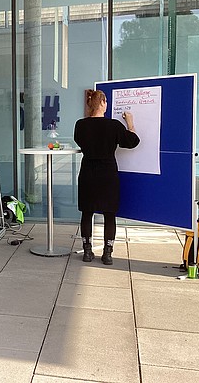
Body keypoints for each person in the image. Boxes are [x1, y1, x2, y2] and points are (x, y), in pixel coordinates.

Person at [74, 89, 140, 265]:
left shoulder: (80, 125)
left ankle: (87, 252)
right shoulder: (113, 126)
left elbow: (79, 141)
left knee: (87, 212)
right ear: (102, 103)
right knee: (109, 214)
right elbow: (132, 141)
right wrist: (130, 123)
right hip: (107, 173)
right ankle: (107, 254)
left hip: (88, 171)